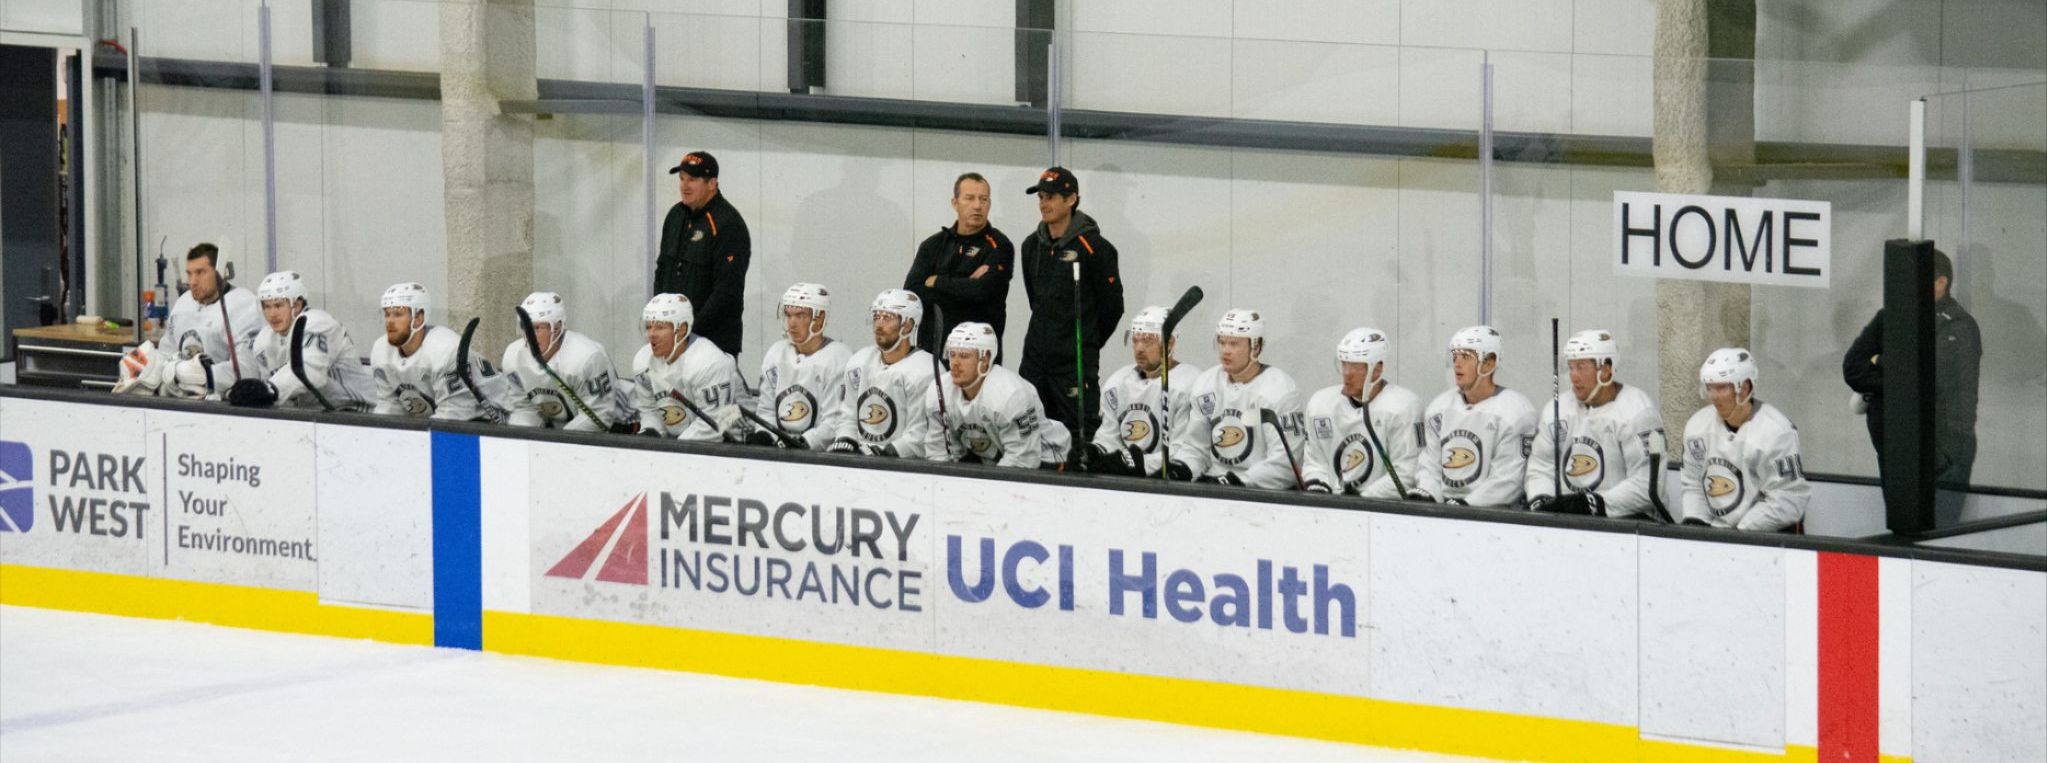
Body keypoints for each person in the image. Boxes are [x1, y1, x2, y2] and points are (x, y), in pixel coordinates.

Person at [1841, 247, 1980, 517]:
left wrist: (1879, 362)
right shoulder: (1889, 317)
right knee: (1902, 533)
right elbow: (1853, 368)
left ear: (1941, 283)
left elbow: (1926, 376)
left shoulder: (1960, 326)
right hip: (1895, 452)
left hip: (1943, 455)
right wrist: (1897, 380)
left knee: (1937, 536)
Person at [1017, 167, 1123, 453]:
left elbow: (1112, 307)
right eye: (1040, 196)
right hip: (1035, 361)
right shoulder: (1031, 246)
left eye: (1051, 196)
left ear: (1072, 199)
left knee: (1079, 439)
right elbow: (1035, 300)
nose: (1044, 203)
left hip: (1074, 362)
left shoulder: (1096, 247)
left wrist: (1084, 340)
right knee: (1028, 434)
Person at [1525, 329, 1664, 519]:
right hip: (1567, 524)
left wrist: (1592, 504)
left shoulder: (1638, 412)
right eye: (1570, 367)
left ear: (1605, 369)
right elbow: (1541, 465)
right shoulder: (1556, 408)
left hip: (1626, 525)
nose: (1573, 376)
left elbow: (1646, 484)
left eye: (1581, 367)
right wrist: (1542, 499)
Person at [1170, 309, 1306, 489]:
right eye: (1222, 342)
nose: (1225, 351)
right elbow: (1196, 448)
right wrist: (1183, 469)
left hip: (1260, 495)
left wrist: (1238, 481)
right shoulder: (1206, 384)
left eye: (1234, 344)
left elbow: (1285, 465)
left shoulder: (1280, 391)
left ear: (1256, 347)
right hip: (1212, 486)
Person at [1682, 348, 1810, 532]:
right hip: (1717, 534)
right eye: (1710, 387)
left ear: (1745, 388)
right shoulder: (1697, 426)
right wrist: (1696, 523)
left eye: (1722, 387)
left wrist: (1741, 532)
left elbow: (1788, 498)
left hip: (1767, 537)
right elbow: (1693, 481)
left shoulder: (1776, 431)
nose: (1714, 396)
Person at [116, 242, 262, 398]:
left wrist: (204, 375)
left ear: (221, 272)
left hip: (224, 408)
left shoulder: (244, 305)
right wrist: (146, 367)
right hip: (182, 401)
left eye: (200, 273)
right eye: (189, 273)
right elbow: (167, 351)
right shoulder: (184, 303)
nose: (192, 281)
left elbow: (248, 370)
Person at [1415, 326, 1537, 507]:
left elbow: (1508, 480)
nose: (1457, 364)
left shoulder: (1515, 412)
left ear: (1489, 363)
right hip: (1444, 513)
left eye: (1466, 357)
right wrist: (1428, 495)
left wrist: (1466, 505)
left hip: (1494, 518)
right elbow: (1429, 464)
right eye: (1454, 357)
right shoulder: (1439, 408)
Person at [221, 270, 374, 411]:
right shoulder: (263, 341)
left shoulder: (317, 323)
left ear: (298, 305)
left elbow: (311, 373)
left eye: (279, 305)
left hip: (359, 412)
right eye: (267, 307)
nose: (272, 314)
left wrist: (269, 390)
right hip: (315, 417)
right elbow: (274, 394)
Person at [923, 322, 1070, 468]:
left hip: (1048, 460)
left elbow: (1023, 460)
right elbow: (939, 453)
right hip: (995, 463)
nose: (955, 363)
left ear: (985, 359)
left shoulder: (1011, 395)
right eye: (952, 354)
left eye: (964, 356)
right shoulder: (939, 390)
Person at [1302, 327, 1424, 499]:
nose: (1347, 374)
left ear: (1377, 369)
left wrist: (1363, 501)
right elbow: (1315, 462)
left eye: (1356, 366)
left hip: (1382, 512)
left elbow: (1406, 472)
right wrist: (1318, 485)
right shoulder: (1321, 404)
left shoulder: (1404, 407)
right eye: (1344, 364)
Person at [904, 172, 1015, 357]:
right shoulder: (933, 245)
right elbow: (912, 293)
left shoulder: (999, 245)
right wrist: (965, 287)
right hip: (932, 355)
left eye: (984, 199)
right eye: (969, 198)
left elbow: (981, 292)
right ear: (955, 203)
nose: (977, 206)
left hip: (978, 359)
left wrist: (938, 282)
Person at [1083, 306, 1201, 477]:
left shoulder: (1190, 385)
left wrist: (1137, 463)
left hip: (1169, 482)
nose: (1139, 348)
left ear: (1170, 343)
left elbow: (1187, 451)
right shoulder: (1117, 384)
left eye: (1147, 341)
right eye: (1135, 340)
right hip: (1125, 481)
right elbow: (1110, 438)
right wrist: (1094, 451)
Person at [368, 282, 512, 421]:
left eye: (398, 314)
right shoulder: (381, 351)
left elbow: (453, 416)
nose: (390, 321)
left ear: (418, 318)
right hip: (455, 420)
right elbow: (390, 407)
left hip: (497, 418)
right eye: (387, 314)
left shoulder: (445, 349)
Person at [654, 150, 751, 354]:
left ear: (712, 184)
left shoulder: (728, 224)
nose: (684, 185)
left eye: (692, 179)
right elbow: (662, 270)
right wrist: (661, 322)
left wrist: (689, 331)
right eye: (681, 179)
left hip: (713, 343)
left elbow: (726, 292)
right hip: (674, 339)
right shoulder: (675, 216)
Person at [827, 289, 936, 458]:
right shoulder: (859, 362)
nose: (878, 324)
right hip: (861, 463)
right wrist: (846, 440)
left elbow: (921, 434)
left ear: (907, 325)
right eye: (877, 316)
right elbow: (848, 416)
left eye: (887, 318)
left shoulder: (925, 371)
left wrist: (888, 452)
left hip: (905, 469)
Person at [501, 292, 631, 432]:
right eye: (526, 327)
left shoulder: (587, 357)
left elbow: (600, 415)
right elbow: (524, 408)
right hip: (561, 432)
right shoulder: (513, 357)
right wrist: (522, 438)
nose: (530, 335)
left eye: (537, 328)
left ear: (557, 328)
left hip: (618, 428)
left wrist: (560, 443)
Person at [746, 283, 853, 450]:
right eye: (788, 315)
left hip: (820, 459)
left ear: (819, 319)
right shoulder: (776, 352)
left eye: (800, 315)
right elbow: (766, 410)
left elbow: (835, 422)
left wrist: (802, 443)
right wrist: (765, 434)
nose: (792, 323)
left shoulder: (839, 358)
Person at [628, 293, 744, 441]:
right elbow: (649, 410)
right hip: (683, 442)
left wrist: (674, 452)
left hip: (734, 441)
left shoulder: (709, 362)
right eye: (649, 326)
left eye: (660, 327)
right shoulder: (643, 362)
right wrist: (652, 433)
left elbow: (714, 426)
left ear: (681, 329)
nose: (651, 334)